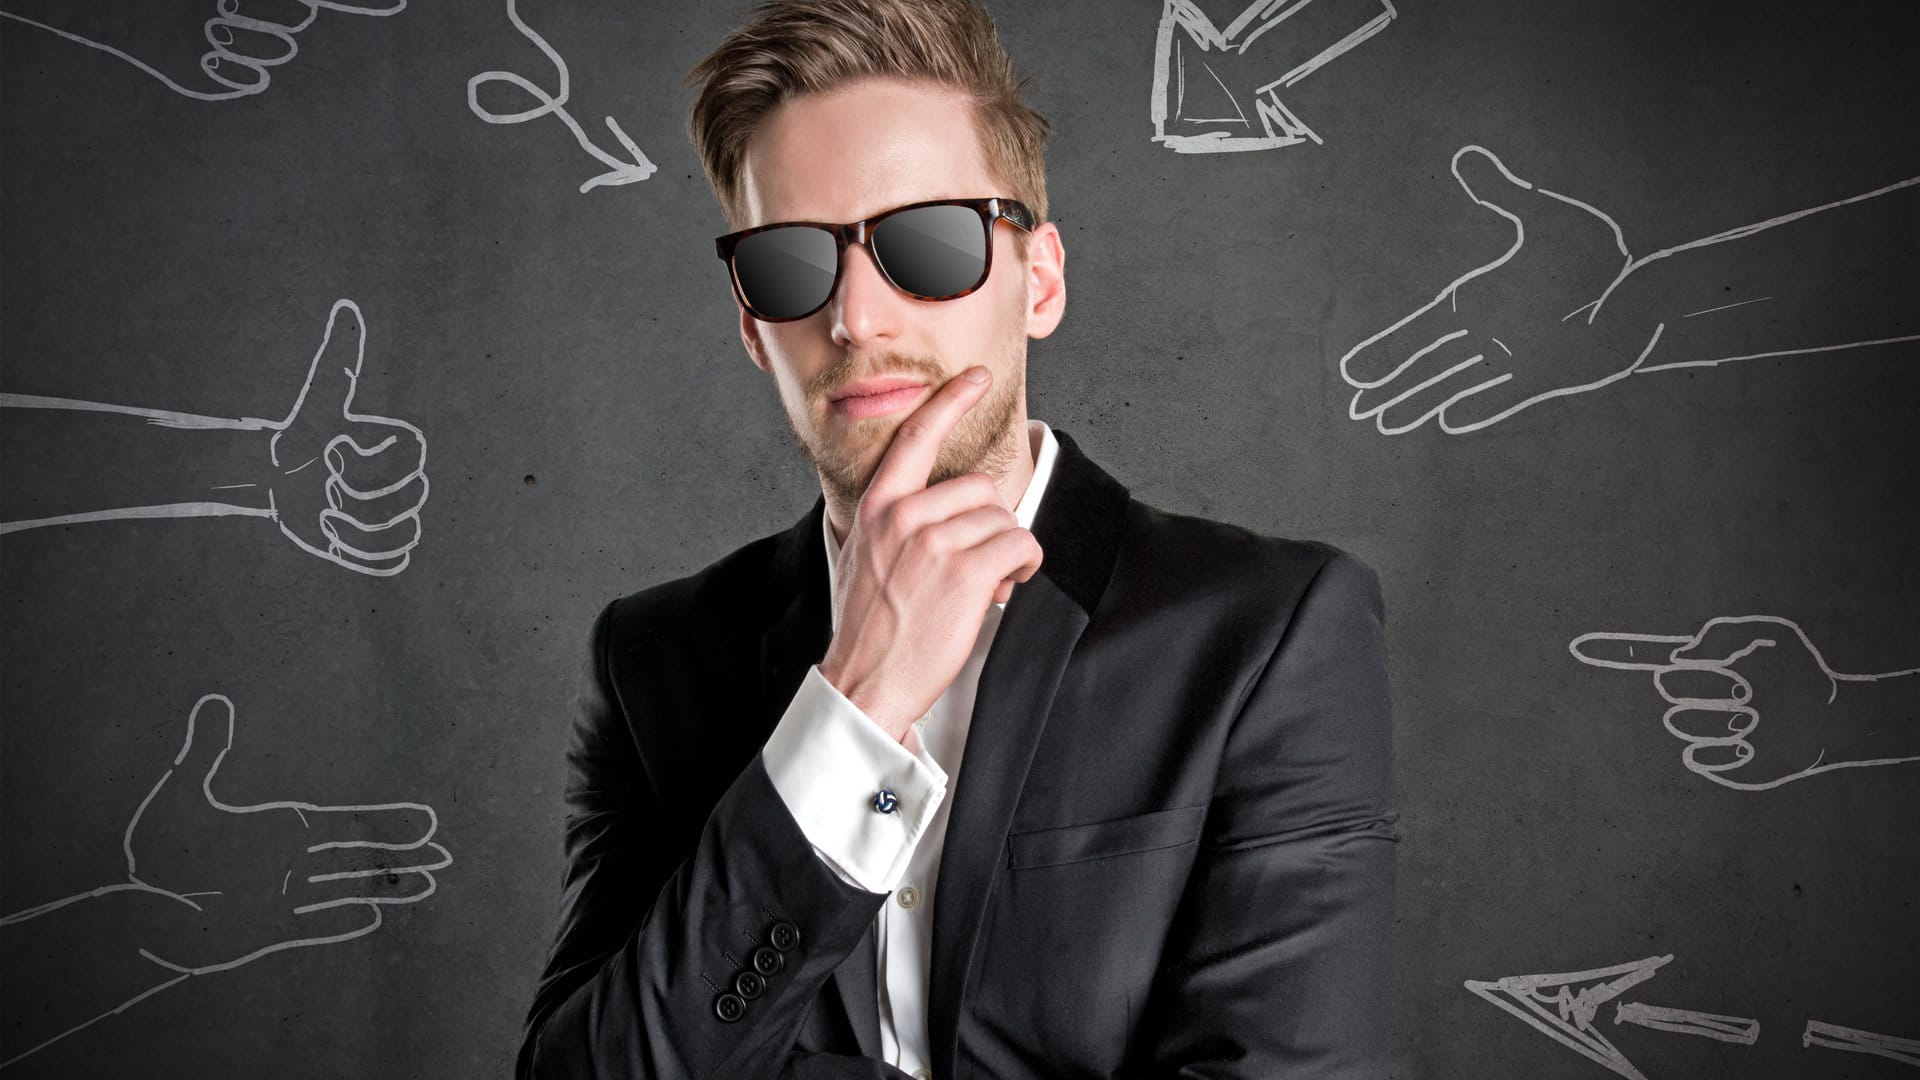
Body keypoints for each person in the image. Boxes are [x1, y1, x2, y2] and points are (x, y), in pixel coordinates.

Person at [516, 2, 1399, 1076]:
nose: (857, 317)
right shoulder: (654, 661)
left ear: (1040, 278)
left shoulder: (1268, 633)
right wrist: (853, 706)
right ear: (752, 324)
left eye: (925, 244)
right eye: (793, 264)